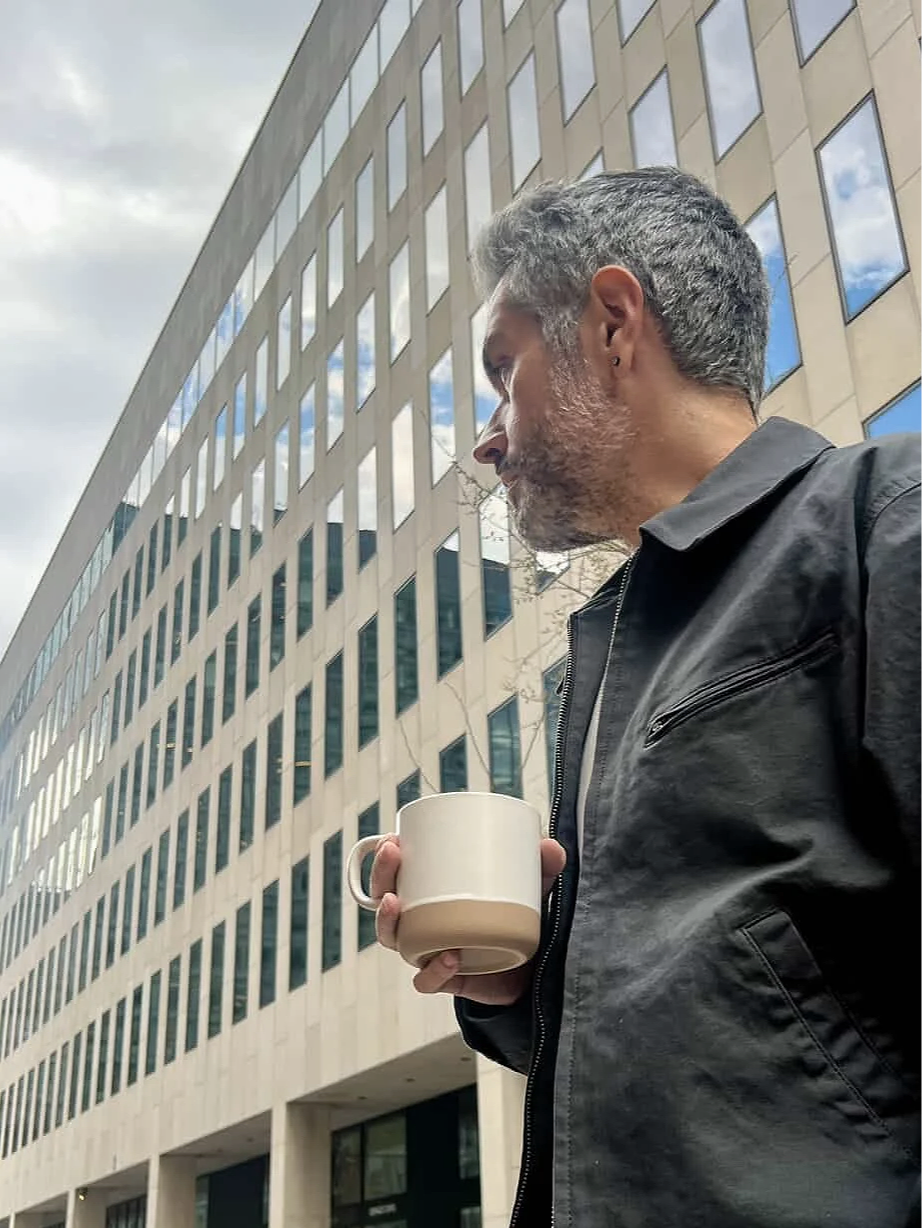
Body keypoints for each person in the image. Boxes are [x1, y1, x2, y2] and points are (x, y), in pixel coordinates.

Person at [367, 167, 922, 1227]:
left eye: (503, 368)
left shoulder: (882, 519)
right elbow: (752, 1018)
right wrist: (518, 985)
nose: (486, 436)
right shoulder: (614, 640)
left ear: (614, 324)